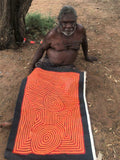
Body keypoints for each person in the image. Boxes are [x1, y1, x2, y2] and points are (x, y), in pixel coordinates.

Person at [0, 5, 97, 128]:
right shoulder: (52, 34)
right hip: (47, 66)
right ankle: (17, 120)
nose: (68, 26)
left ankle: (48, 123)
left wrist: (87, 56)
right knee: (33, 90)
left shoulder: (80, 31)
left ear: (76, 21)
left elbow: (84, 42)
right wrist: (32, 68)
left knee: (64, 97)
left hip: (67, 69)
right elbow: (40, 50)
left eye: (71, 22)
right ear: (59, 21)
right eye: (64, 23)